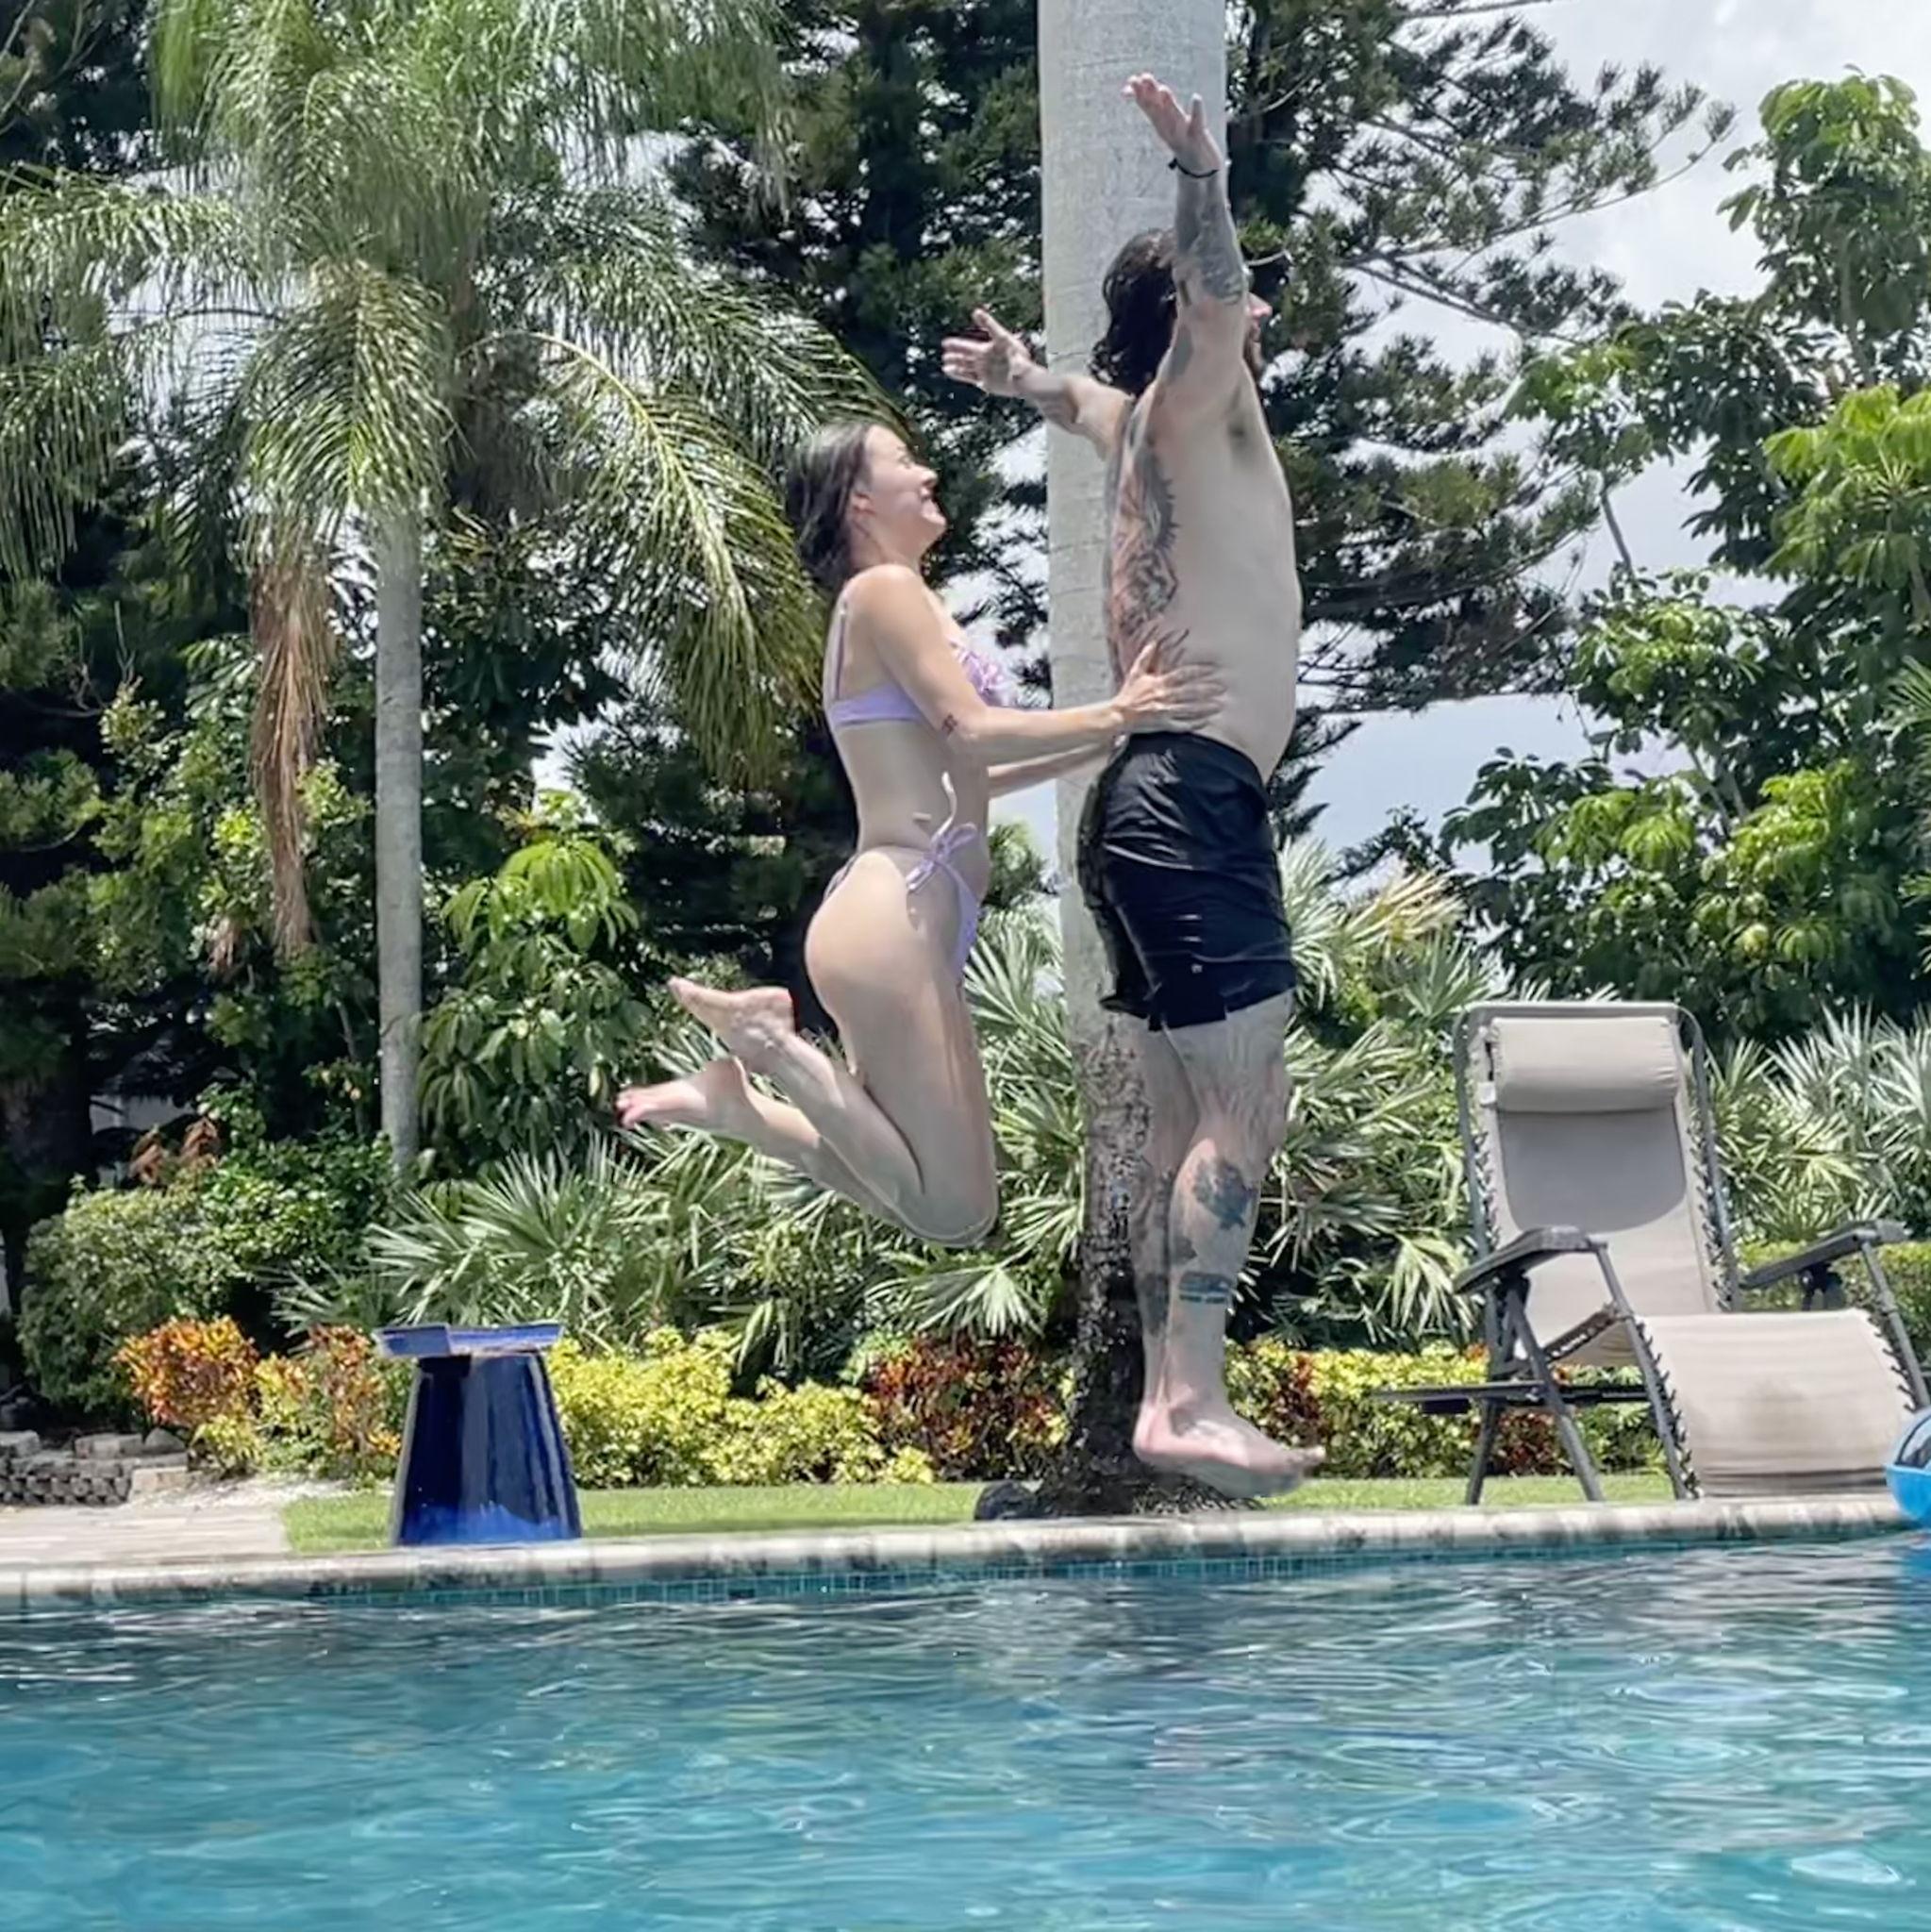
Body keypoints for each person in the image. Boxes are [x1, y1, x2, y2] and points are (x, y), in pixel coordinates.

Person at [941, 74, 1319, 1500]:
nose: (1258, 308)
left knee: (1176, 1125)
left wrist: (1024, 380)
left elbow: (1080, 398)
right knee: (1245, 1107)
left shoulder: (1147, 427)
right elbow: (1211, 297)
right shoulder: (1196, 394)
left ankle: (1174, 1395)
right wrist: (1198, 177)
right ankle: (1187, 1400)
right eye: (1238, 298)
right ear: (1193, 319)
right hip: (1189, 802)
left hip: (1141, 810)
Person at [614, 419, 1220, 1247]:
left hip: (909, 916)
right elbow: (973, 731)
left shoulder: (905, 602)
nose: (928, 472)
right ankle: (767, 1047)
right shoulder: (881, 592)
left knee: (938, 1199)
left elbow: (970, 772)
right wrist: (1116, 714)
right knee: (951, 1211)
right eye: (903, 461)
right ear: (859, 501)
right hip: (891, 914)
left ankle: (740, 1109)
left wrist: (1111, 739)